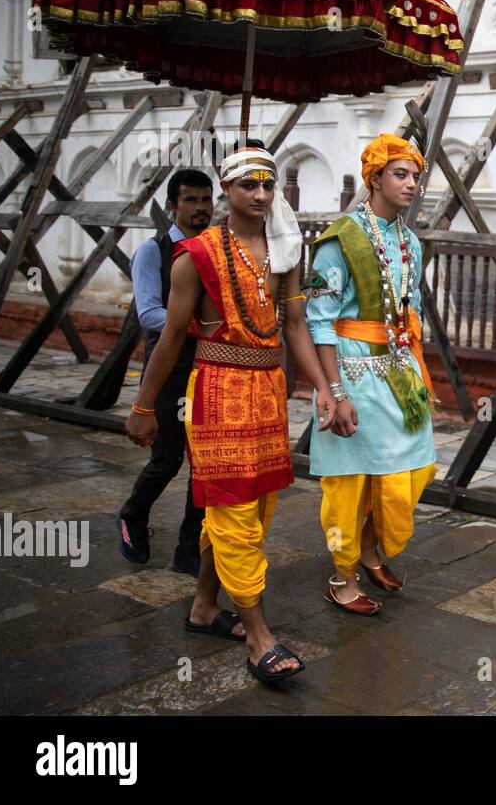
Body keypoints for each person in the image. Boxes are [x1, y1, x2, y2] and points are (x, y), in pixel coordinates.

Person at [125, 141, 340, 684]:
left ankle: (203, 605)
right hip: (217, 392)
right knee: (234, 512)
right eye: (250, 185)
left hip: (268, 392)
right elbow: (172, 335)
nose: (262, 195)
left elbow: (294, 327)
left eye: (269, 184)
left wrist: (325, 390)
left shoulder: (287, 251)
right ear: (227, 191)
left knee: (255, 508)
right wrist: (144, 406)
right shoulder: (195, 255)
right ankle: (261, 637)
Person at [306, 134, 441, 616]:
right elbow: (318, 320)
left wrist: (417, 371)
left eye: (415, 176)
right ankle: (341, 578)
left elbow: (414, 309)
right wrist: (333, 391)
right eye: (400, 174)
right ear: (375, 178)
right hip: (351, 369)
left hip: (400, 371)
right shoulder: (338, 240)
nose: (411, 184)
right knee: (351, 480)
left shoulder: (410, 242)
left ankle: (368, 548)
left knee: (411, 470)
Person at [117, 169, 213, 575]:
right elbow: (150, 313)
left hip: (209, 368)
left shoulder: (215, 250)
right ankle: (133, 516)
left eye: (206, 200)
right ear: (172, 206)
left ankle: (189, 548)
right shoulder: (153, 252)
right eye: (190, 201)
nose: (200, 209)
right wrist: (200, 322)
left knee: (205, 465)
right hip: (170, 368)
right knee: (167, 458)